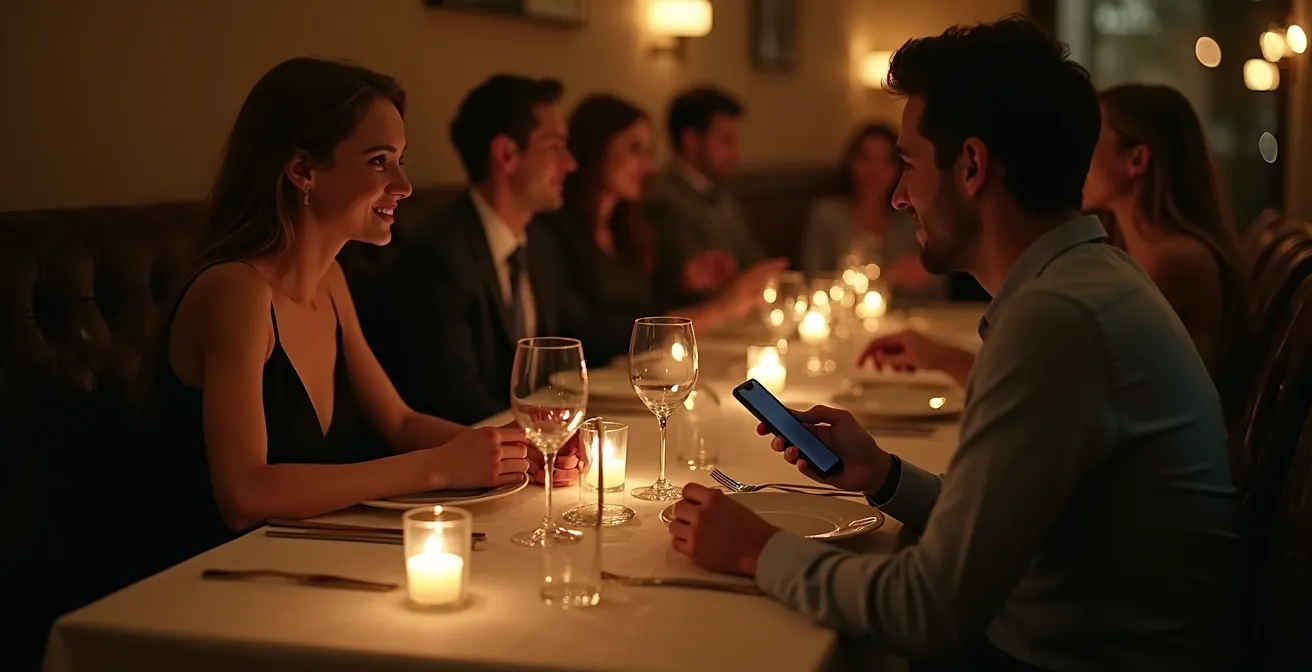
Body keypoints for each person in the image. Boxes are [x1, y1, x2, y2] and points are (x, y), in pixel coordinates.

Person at [663, 17, 1236, 670]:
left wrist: (755, 549)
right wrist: (883, 476)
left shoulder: (1058, 319)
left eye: (908, 164)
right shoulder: (1088, 279)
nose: (901, 197)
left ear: (971, 166)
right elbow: (1006, 526)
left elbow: (926, 609)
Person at [144, 59, 562, 559]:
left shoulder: (331, 280)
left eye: (400, 159)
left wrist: (521, 449)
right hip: (203, 584)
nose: (404, 185)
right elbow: (244, 495)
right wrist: (437, 468)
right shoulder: (237, 292)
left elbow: (400, 422)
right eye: (380, 161)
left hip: (307, 558)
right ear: (302, 171)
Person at [864, 84, 1250, 410]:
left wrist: (946, 357)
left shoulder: (1171, 264)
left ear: (1137, 159)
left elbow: (1046, 396)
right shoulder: (1122, 258)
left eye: (1093, 140)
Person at [364, 75, 631, 425]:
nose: (571, 163)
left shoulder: (540, 243)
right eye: (554, 147)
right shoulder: (438, 257)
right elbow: (451, 397)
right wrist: (543, 437)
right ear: (506, 155)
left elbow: (581, 333)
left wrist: (674, 328)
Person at [546, 94, 786, 329]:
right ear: (595, 147)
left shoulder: (625, 228)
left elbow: (643, 306)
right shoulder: (556, 233)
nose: (648, 167)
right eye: (634, 149)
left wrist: (683, 281)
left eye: (648, 152)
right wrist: (719, 310)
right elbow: (587, 332)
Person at [642, 86, 770, 310]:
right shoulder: (664, 200)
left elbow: (752, 259)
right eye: (726, 142)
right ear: (691, 141)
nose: (736, 154)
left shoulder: (722, 193)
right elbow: (692, 288)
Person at [799, 123, 946, 300]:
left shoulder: (909, 221)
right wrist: (884, 276)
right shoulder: (826, 215)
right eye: (865, 159)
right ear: (851, 162)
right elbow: (812, 281)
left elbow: (936, 285)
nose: (873, 171)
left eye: (884, 162)